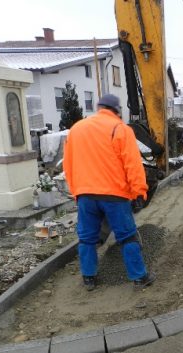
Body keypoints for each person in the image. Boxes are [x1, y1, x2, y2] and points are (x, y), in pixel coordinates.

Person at [63, 94, 155, 291]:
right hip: (115, 195)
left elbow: (68, 165)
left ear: (99, 108)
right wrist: (139, 192)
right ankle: (139, 277)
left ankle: (89, 278)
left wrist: (76, 191)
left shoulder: (76, 129)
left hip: (85, 194)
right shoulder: (120, 129)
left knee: (87, 238)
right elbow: (132, 165)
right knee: (127, 236)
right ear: (117, 110)